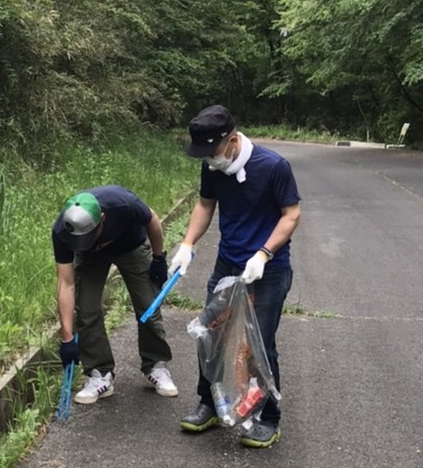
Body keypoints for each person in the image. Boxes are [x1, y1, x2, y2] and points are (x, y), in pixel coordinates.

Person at [169, 105, 301, 448]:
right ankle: (209, 403)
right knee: (210, 333)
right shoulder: (213, 166)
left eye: (213, 152)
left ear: (232, 140)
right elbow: (205, 204)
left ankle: (269, 418)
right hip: (227, 264)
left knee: (259, 344)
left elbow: (291, 215)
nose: (210, 160)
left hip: (267, 270)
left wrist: (264, 253)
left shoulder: (273, 167)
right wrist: (187, 243)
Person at [52, 185, 178, 404]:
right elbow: (65, 282)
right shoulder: (63, 230)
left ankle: (155, 365)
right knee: (86, 310)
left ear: (102, 218)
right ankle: (100, 374)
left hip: (132, 247)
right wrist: (67, 339)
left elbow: (153, 221)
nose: (88, 240)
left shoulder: (123, 204)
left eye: (91, 235)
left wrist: (159, 257)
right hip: (91, 258)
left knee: (148, 305)